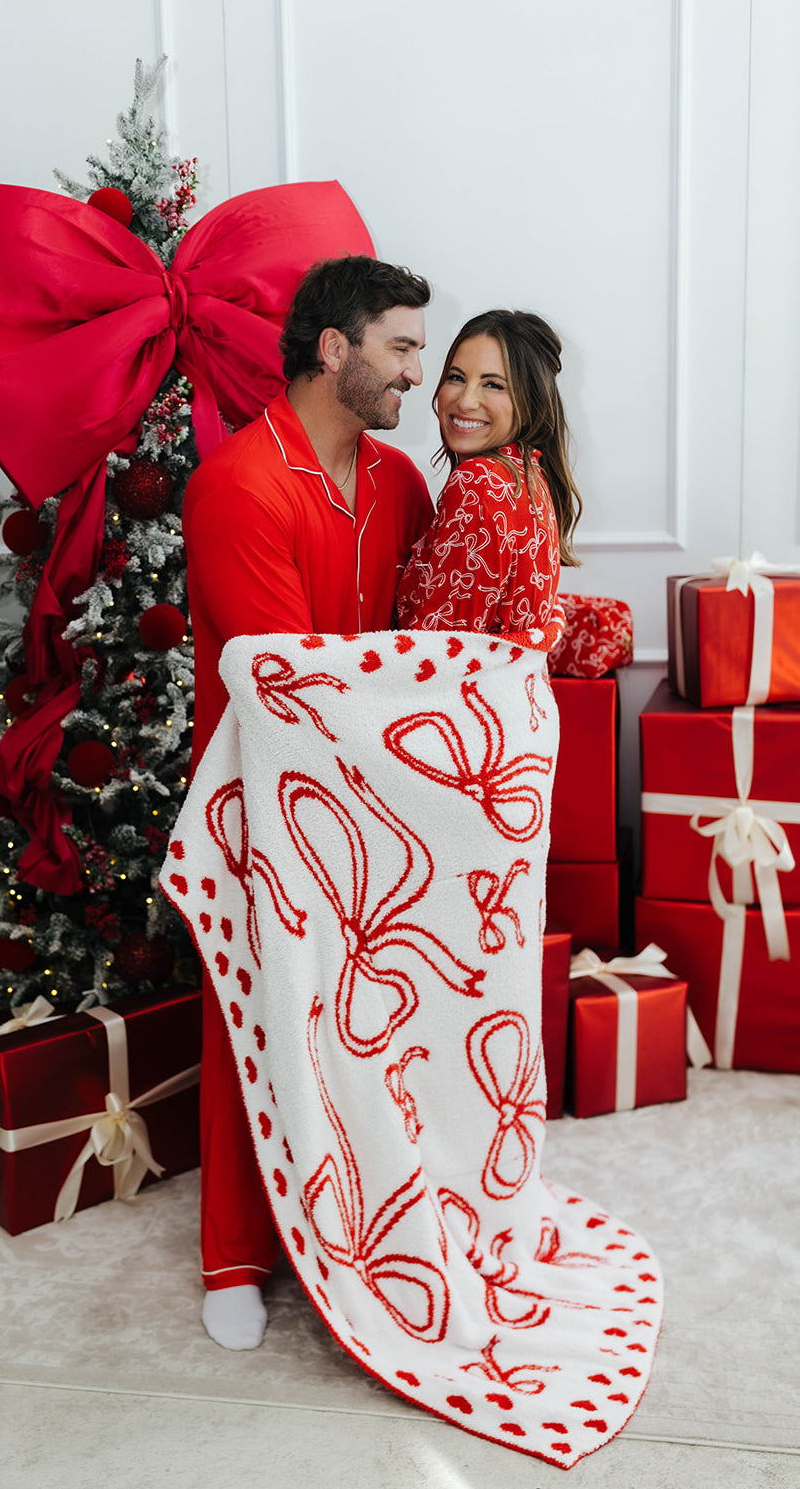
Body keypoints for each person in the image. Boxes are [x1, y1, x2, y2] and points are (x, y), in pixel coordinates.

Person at [182, 254, 435, 1351]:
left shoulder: (402, 486)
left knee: (377, 1021)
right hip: (261, 801)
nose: (416, 373)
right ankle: (233, 1252)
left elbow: (434, 648)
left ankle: (369, 1218)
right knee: (256, 1008)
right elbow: (290, 685)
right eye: (400, 347)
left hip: (385, 804)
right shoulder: (236, 484)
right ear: (333, 349)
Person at [395, 309, 580, 643]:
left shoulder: (478, 482)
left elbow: (440, 652)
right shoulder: (528, 477)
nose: (466, 400)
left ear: (531, 401)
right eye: (456, 377)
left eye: (493, 384)